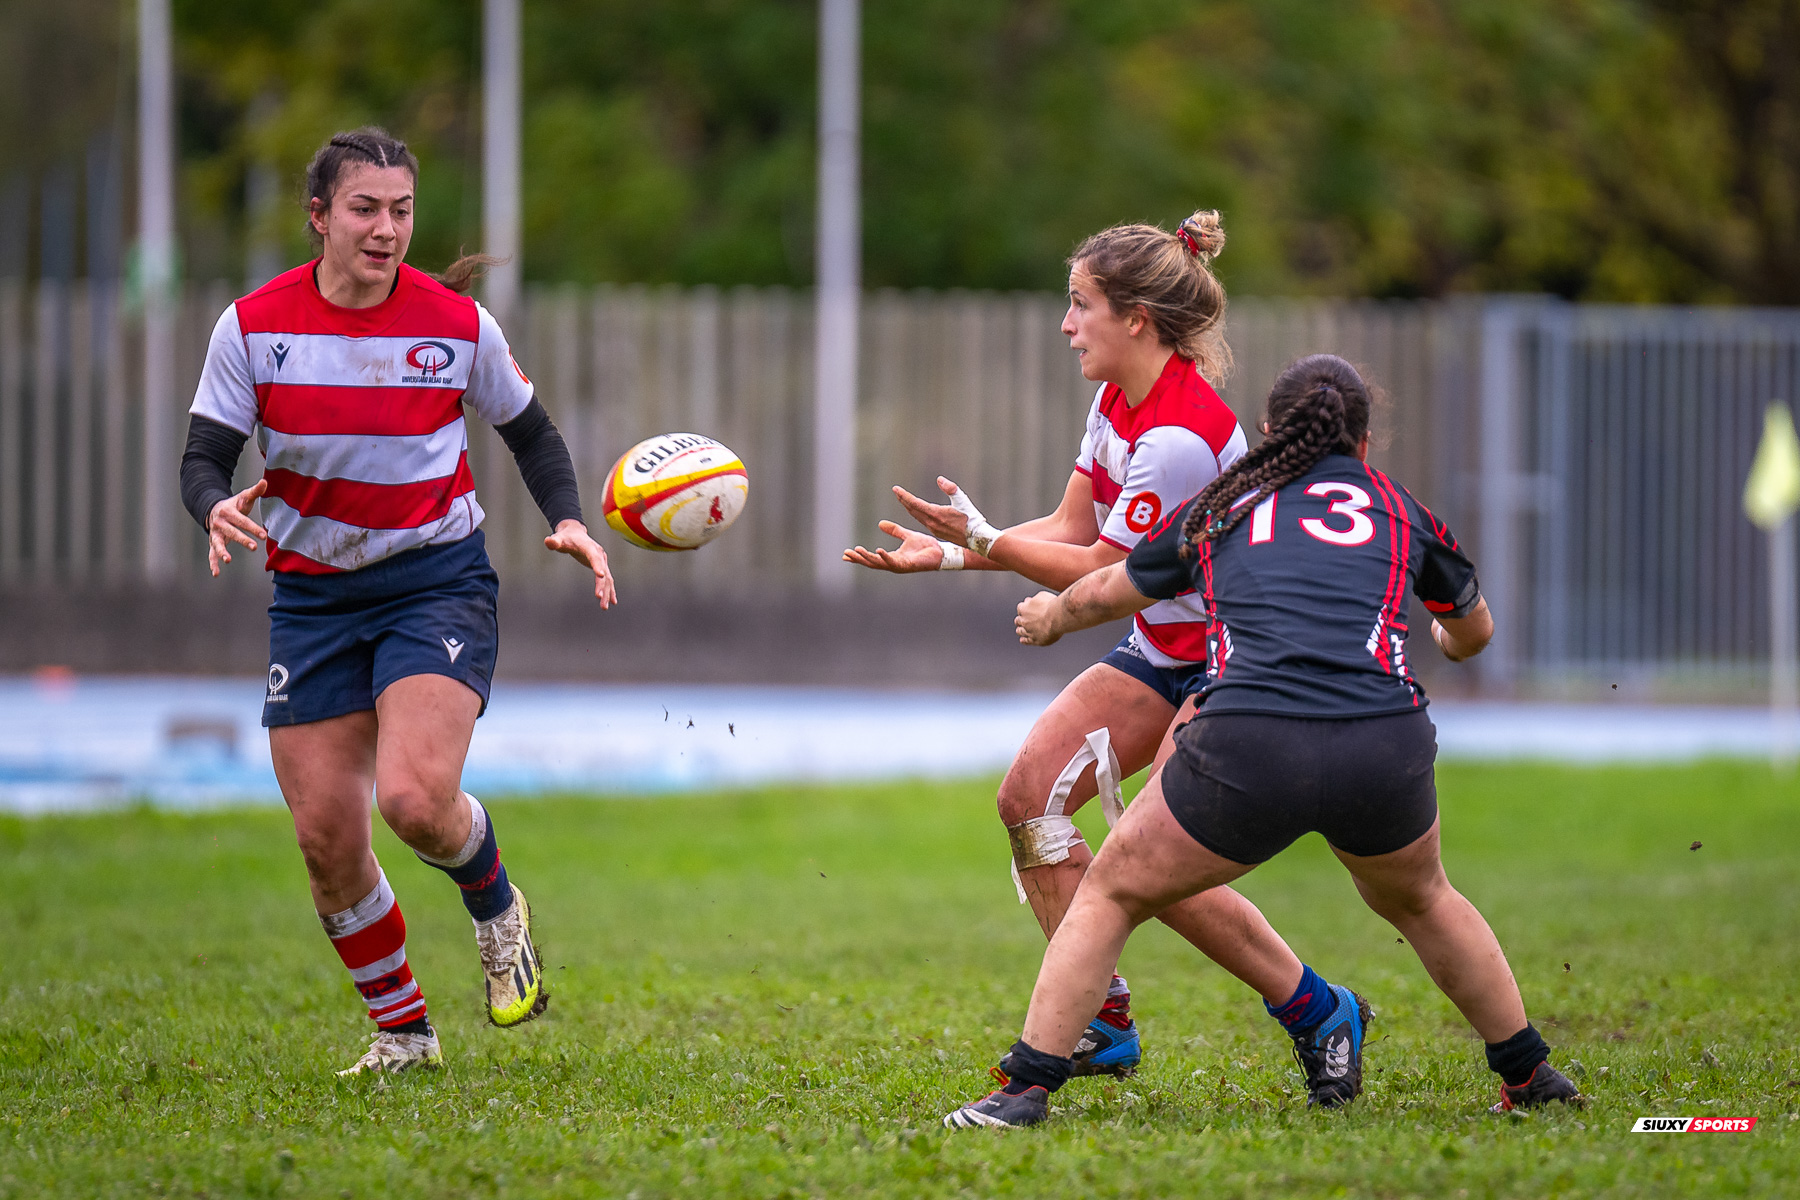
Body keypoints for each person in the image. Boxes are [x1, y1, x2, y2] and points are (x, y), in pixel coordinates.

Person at [943, 354, 1585, 1128]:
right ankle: (1529, 1072)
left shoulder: (1227, 500)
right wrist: (1450, 645)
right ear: (1366, 442)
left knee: (1112, 887)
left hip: (1252, 741)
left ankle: (1025, 1088)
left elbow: (1111, 587)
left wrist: (1051, 617)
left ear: (1269, 435)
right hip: (1383, 744)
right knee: (1423, 898)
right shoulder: (1399, 507)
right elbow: (1472, 631)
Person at [847, 213, 1368, 1095]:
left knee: (1152, 856)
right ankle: (1102, 1022)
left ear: (1136, 318)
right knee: (1028, 803)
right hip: (1162, 646)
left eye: (1079, 304)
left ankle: (1317, 1010)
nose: (1065, 323)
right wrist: (951, 553)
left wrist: (982, 539)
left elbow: (1100, 572)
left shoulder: (1178, 439)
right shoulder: (1117, 400)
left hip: (1227, 659)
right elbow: (1065, 531)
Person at [178, 128, 616, 1076]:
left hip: (435, 581)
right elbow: (202, 457)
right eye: (366, 209)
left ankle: (497, 908)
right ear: (320, 217)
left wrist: (571, 519)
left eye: (402, 210)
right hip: (312, 601)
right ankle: (405, 1034)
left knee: (415, 802)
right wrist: (213, 504)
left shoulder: (457, 325)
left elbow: (532, 435)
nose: (386, 229)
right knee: (326, 839)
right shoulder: (252, 327)